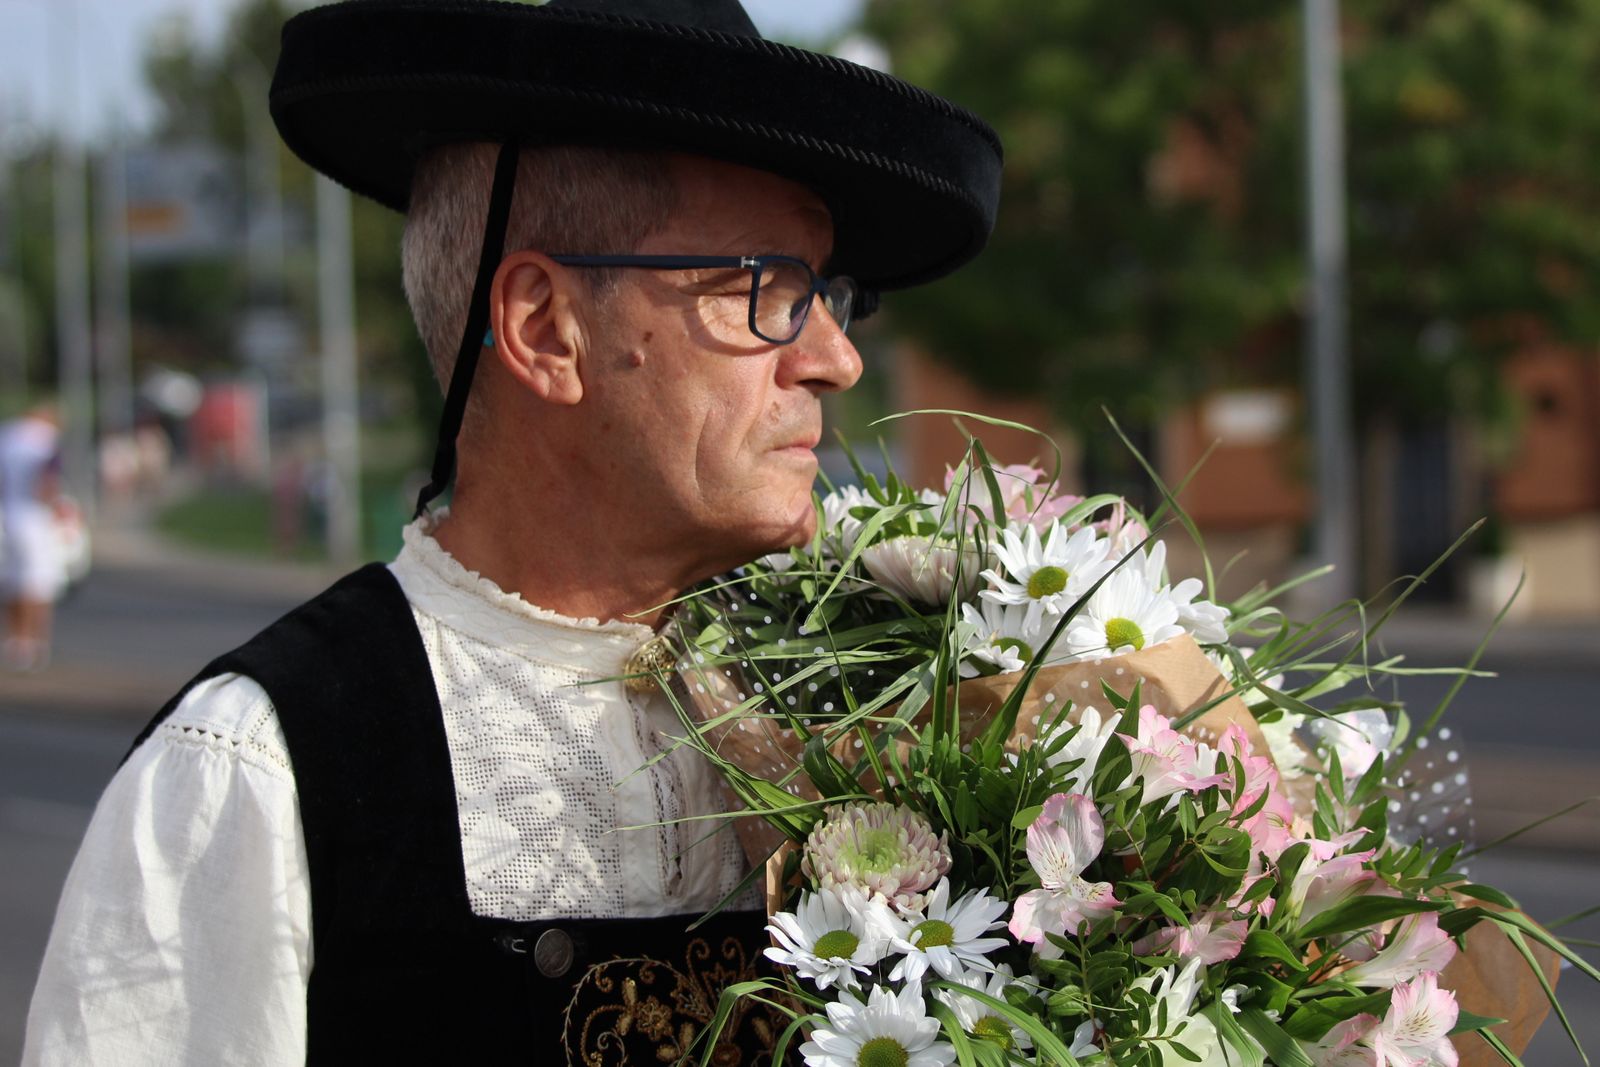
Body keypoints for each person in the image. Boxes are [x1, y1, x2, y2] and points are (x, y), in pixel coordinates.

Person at [23, 0, 1001, 1062]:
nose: (833, 357)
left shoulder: (866, 708)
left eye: (833, 293)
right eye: (766, 287)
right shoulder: (257, 774)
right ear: (544, 329)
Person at [0, 404, 66, 671]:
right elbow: (47, 482)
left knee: (12, 582)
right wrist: (56, 505)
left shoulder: (6, 436)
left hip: (7, 515)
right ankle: (34, 644)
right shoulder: (45, 439)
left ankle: (14, 642)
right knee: (37, 583)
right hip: (34, 518)